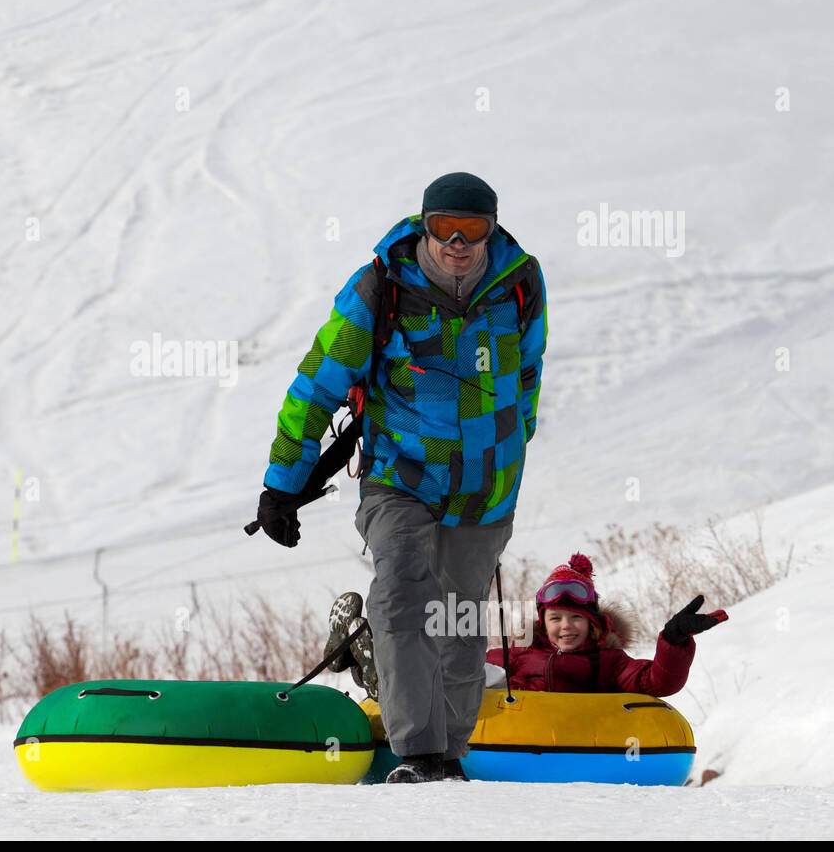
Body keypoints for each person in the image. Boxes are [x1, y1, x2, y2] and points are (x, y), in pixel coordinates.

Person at [256, 172, 547, 783]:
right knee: (403, 593)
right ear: (425, 224)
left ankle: (449, 755)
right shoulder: (381, 287)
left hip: (486, 487)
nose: (459, 242)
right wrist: (283, 485)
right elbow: (317, 386)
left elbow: (529, 368)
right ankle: (416, 752)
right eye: (446, 228)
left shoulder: (520, 281)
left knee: (458, 620)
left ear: (492, 229)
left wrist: (518, 436)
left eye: (474, 230)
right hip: (400, 477)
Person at [485, 553, 727, 694]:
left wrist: (674, 640)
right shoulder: (517, 654)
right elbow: (470, 671)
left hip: (580, 750)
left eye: (576, 617)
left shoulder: (610, 662)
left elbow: (657, 682)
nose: (566, 626)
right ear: (543, 624)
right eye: (555, 618)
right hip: (517, 745)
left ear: (592, 622)